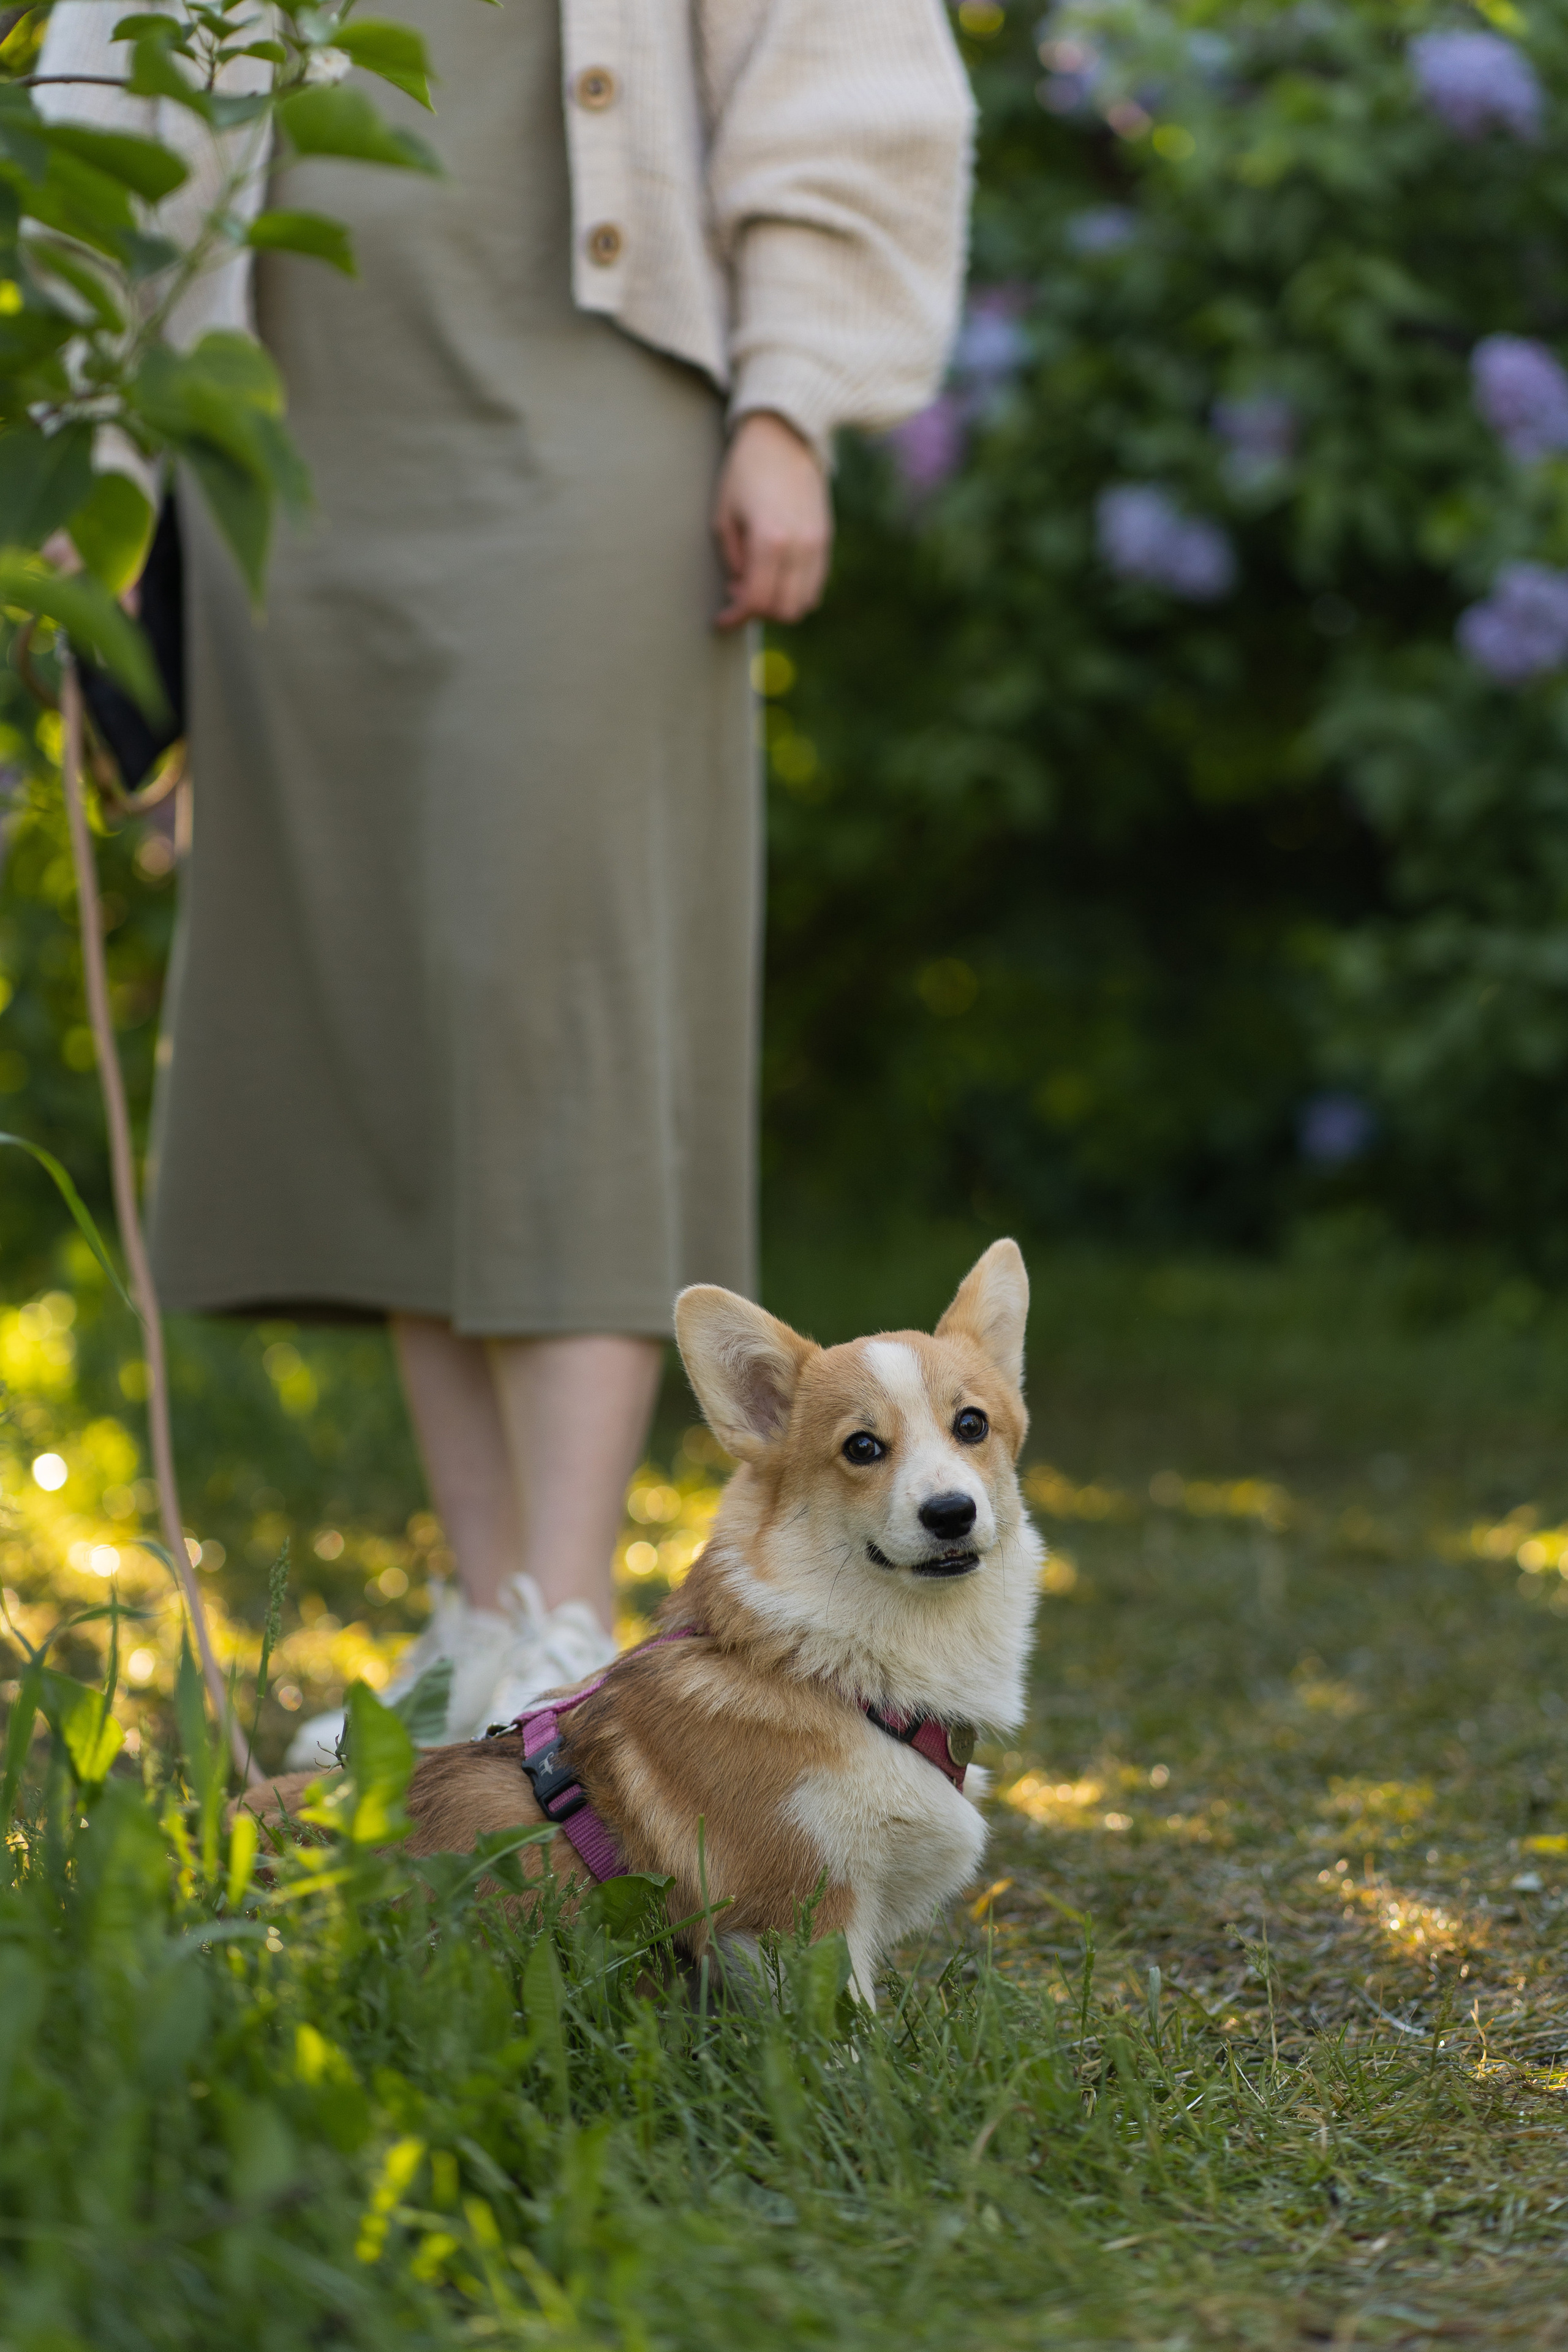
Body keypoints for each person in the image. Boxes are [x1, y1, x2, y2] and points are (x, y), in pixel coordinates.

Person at [37, 0, 974, 1762]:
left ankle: (558, 1624)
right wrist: (103, 439)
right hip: (288, 426)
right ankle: (486, 1611)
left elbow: (837, 57)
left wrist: (789, 400)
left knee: (565, 993)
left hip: (598, 405)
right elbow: (113, 64)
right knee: (401, 997)